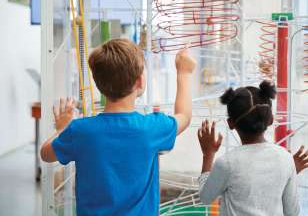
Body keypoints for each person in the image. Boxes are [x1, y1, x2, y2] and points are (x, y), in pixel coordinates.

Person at [40, 38, 196, 216]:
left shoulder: (80, 131)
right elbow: (184, 116)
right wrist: (184, 73)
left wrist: (62, 128)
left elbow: (45, 153)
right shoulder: (151, 128)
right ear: (139, 82)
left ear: (98, 84)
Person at [197, 80, 308, 216]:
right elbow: (292, 212)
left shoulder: (227, 163)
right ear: (271, 119)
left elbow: (205, 198)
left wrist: (208, 154)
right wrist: (289, 172)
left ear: (230, 123)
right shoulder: (286, 159)